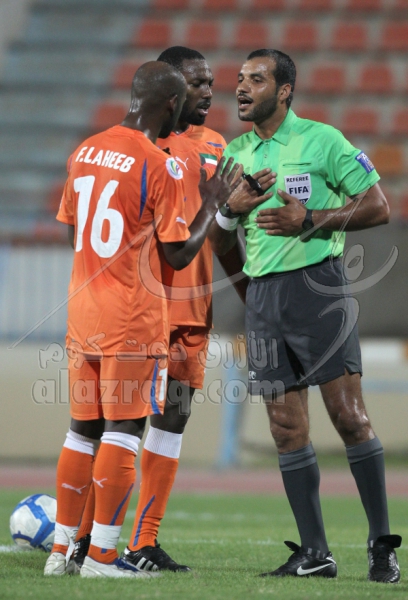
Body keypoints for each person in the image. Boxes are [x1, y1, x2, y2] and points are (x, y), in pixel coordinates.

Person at [68, 46, 263, 574]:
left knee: (171, 421)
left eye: (210, 83)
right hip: (139, 309)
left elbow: (219, 235)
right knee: (114, 425)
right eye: (197, 84)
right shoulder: (142, 145)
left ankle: (143, 541)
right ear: (170, 90)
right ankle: (86, 539)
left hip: (191, 311)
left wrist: (249, 293)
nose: (209, 93)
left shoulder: (218, 148)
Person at [209, 48, 401, 583]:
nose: (241, 87)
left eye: (256, 79)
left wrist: (311, 219)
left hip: (319, 292)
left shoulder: (323, 140)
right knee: (285, 427)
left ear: (284, 90)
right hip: (264, 301)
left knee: (348, 416)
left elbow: (379, 207)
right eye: (239, 78)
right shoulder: (236, 155)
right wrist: (230, 212)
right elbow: (219, 240)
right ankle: (316, 552)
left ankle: (381, 546)